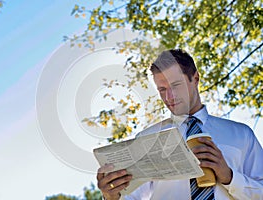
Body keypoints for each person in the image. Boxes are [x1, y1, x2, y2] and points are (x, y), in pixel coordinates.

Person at [96, 49, 263, 199]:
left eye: (176, 85)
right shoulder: (146, 139)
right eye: (162, 89)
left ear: (195, 78)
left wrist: (229, 177)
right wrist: (111, 196)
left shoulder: (242, 135)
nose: (169, 97)